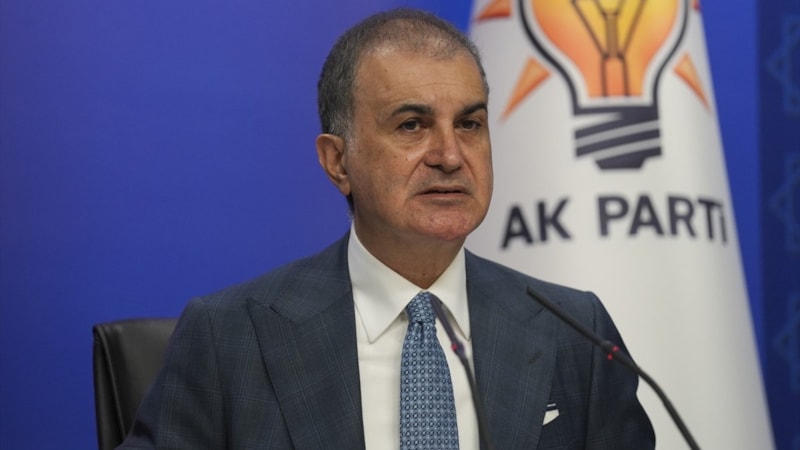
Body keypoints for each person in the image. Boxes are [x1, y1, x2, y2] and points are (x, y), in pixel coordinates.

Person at [119, 8, 654, 450]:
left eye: (469, 124)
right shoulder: (229, 338)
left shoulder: (574, 331)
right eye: (412, 125)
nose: (450, 156)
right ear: (337, 161)